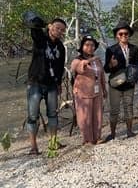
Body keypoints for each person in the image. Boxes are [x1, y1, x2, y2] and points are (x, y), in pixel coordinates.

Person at [25, 15, 67, 155]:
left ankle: (53, 143)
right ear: (50, 27)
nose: (59, 31)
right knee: (32, 115)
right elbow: (34, 25)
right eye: (57, 28)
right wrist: (42, 24)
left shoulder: (61, 47)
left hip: (52, 85)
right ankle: (33, 147)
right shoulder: (40, 39)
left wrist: (59, 83)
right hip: (35, 82)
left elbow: (60, 67)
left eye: (62, 30)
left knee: (53, 115)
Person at [104, 21, 138, 140]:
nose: (124, 36)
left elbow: (135, 66)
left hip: (129, 83)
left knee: (128, 107)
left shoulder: (135, 49)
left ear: (129, 35)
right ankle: (113, 134)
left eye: (126, 33)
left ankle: (129, 132)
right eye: (121, 34)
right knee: (114, 110)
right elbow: (106, 69)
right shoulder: (111, 50)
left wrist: (136, 79)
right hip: (115, 83)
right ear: (116, 36)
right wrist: (111, 64)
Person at [71, 35, 107, 145]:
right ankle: (87, 140)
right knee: (84, 116)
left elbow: (101, 75)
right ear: (82, 46)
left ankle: (97, 137)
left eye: (92, 45)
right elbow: (76, 68)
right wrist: (89, 60)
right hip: (83, 93)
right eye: (87, 45)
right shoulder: (77, 60)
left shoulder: (97, 61)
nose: (90, 47)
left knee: (97, 115)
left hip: (97, 91)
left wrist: (104, 89)